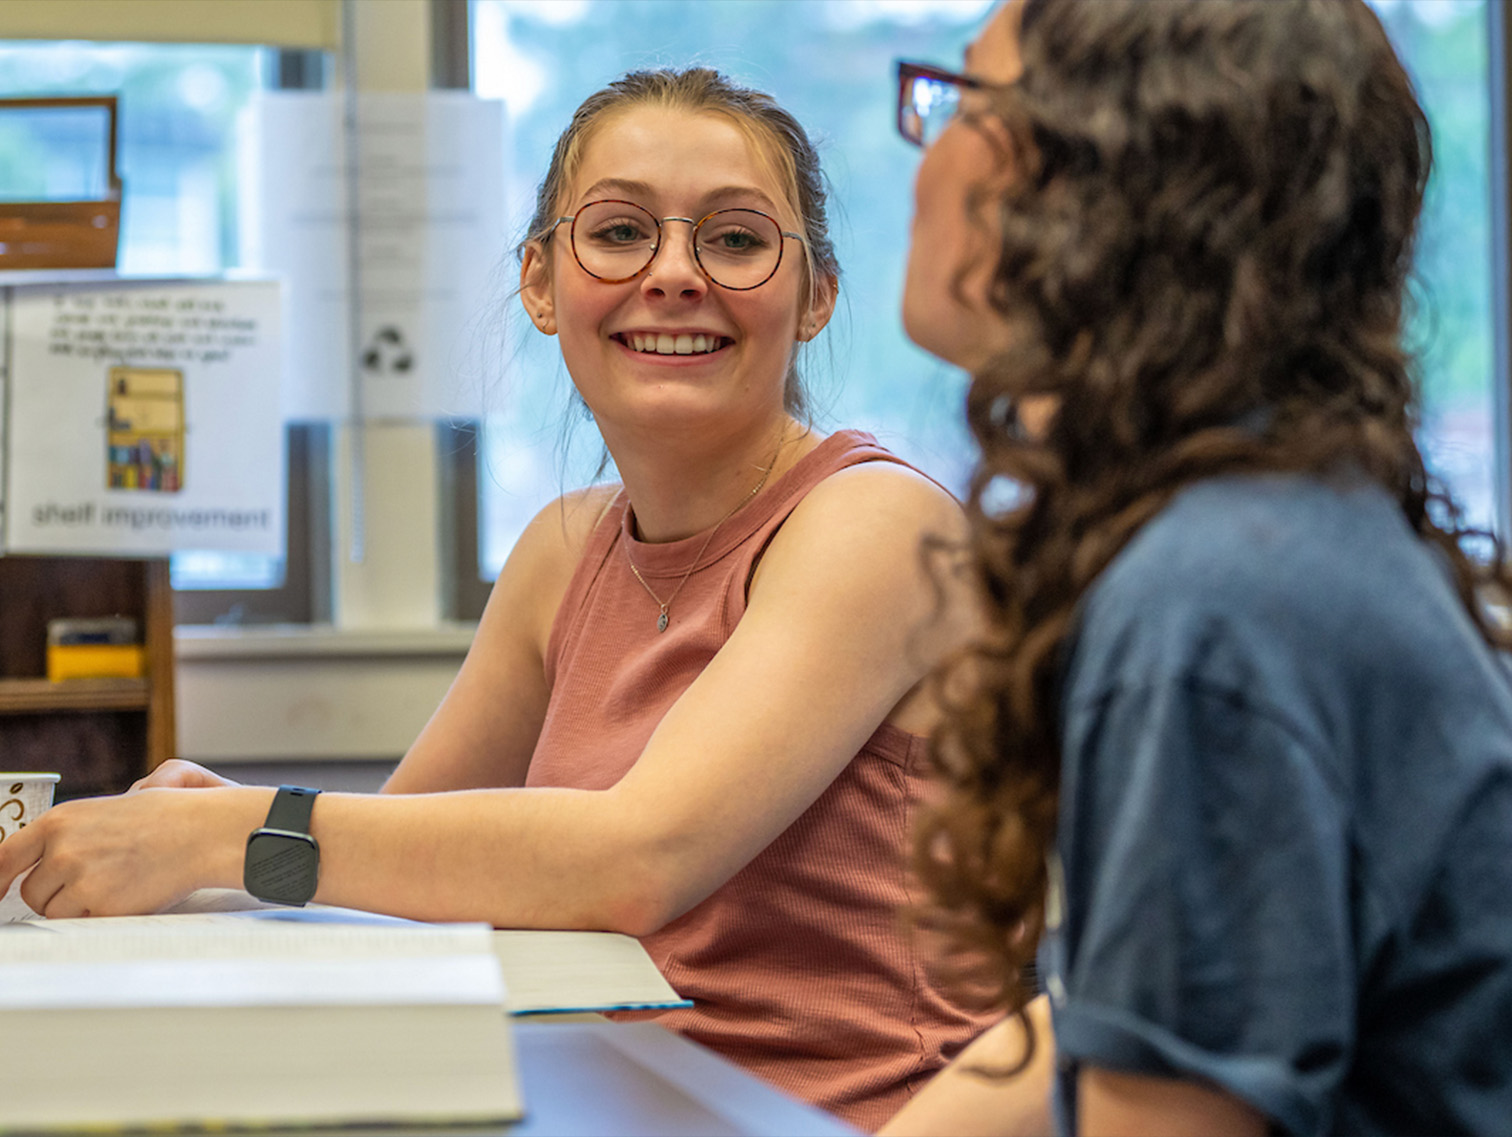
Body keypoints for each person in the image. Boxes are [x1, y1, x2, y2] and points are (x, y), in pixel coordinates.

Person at [0, 68, 994, 1128]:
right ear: (539, 281)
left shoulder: (876, 525)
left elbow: (638, 858)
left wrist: (238, 836)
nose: (673, 274)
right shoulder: (565, 548)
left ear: (816, 297)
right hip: (606, 1099)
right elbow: (403, 846)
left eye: (737, 240)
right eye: (617, 233)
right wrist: (211, 835)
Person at [885, 1, 1512, 1135]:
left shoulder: (1215, 605)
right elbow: (1102, 1030)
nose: (922, 153)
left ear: (1103, 185)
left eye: (962, 101)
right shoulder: (1270, 532)